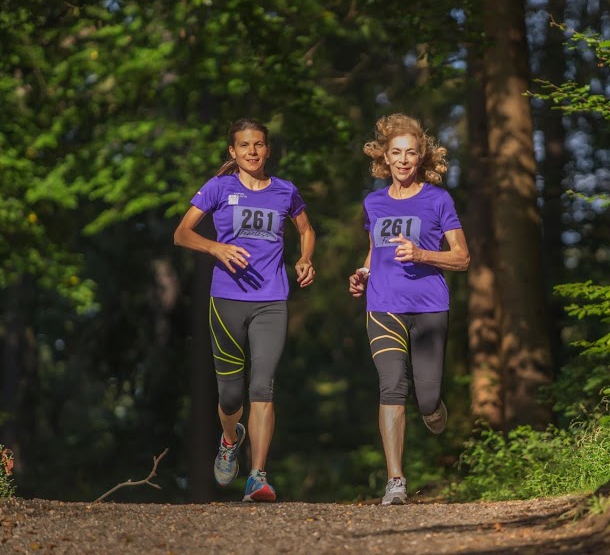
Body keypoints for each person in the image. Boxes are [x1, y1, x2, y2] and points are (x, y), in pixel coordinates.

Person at [174, 118, 316, 502]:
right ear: (232, 152)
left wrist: (304, 259)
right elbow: (182, 233)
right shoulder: (218, 188)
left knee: (262, 387)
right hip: (226, 301)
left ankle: (258, 476)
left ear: (267, 150)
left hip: (272, 300)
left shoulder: (285, 191)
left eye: (258, 145)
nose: (252, 151)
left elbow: (306, 229)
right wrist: (215, 248)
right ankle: (228, 437)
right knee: (231, 397)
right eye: (244, 146)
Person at [348, 113, 470, 505]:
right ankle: (395, 480)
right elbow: (375, 249)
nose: (403, 160)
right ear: (384, 157)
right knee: (391, 386)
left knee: (427, 400)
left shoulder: (438, 199)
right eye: (396, 153)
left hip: (430, 306)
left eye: (411, 153)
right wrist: (364, 271)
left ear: (422, 157)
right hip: (383, 306)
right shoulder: (373, 202)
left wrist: (421, 253)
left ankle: (433, 408)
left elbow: (463, 257)